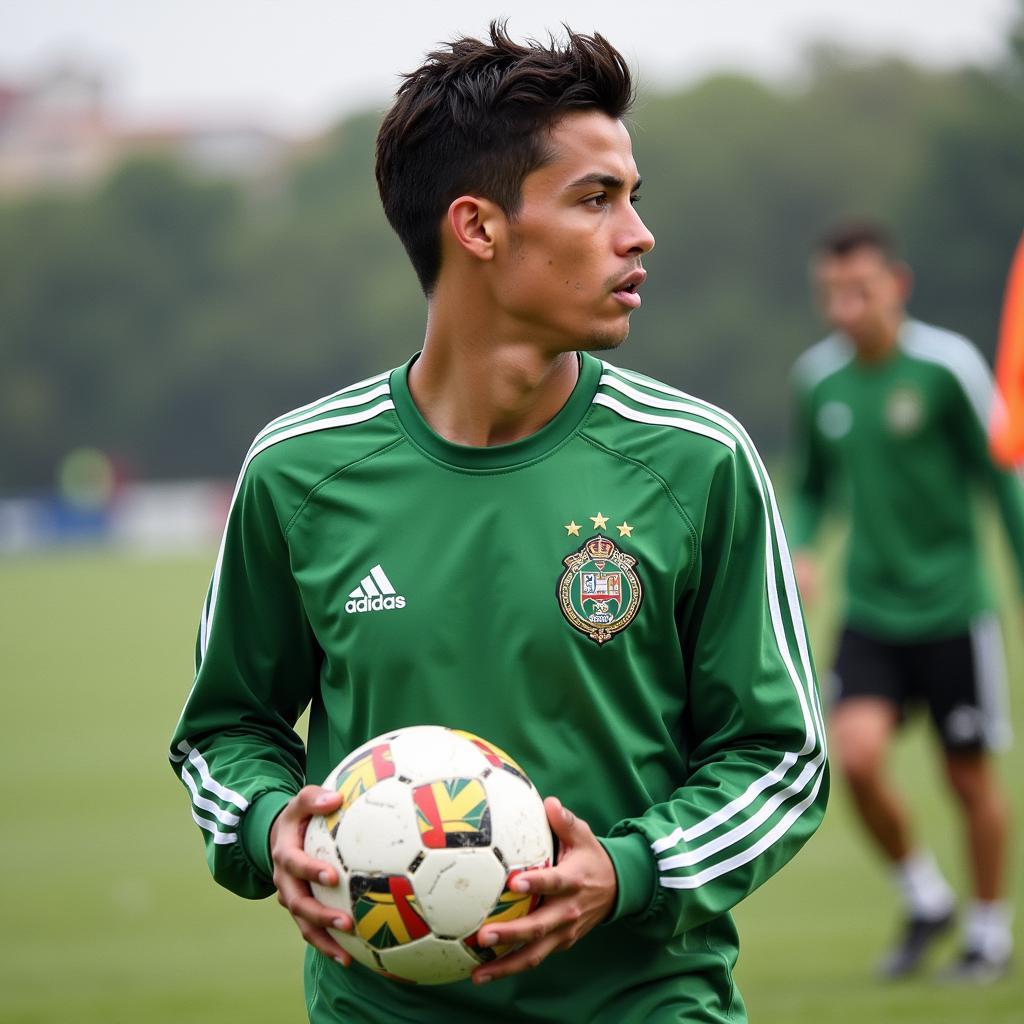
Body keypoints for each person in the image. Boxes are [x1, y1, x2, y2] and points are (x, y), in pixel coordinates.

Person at [169, 23, 827, 1023]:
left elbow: (779, 757)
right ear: (477, 228)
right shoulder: (298, 472)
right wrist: (270, 828)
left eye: (632, 199)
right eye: (595, 199)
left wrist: (629, 867)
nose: (637, 233)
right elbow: (226, 730)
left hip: (645, 1005)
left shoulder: (700, 460)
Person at [789, 220, 1023, 983]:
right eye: (832, 294)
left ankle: (989, 931)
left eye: (859, 290)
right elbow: (813, 487)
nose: (845, 308)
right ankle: (926, 897)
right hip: (873, 611)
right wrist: (804, 547)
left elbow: (1000, 477)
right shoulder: (818, 381)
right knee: (850, 757)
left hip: (954, 606)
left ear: (897, 284)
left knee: (967, 779)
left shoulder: (946, 366)